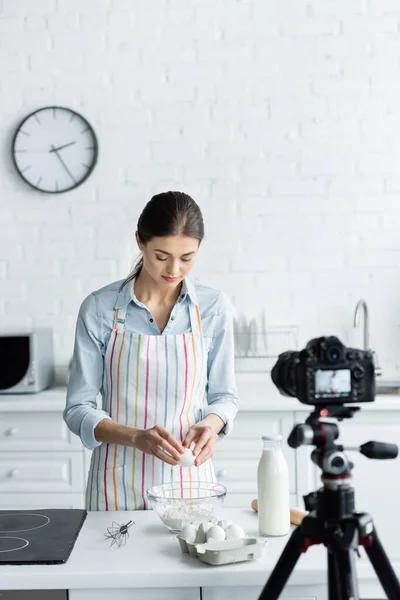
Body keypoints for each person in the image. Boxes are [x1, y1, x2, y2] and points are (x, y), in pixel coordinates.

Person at [63, 191, 239, 511]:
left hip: (190, 483)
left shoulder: (214, 308)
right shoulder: (99, 309)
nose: (174, 269)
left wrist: (211, 425)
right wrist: (136, 437)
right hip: (117, 484)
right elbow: (78, 408)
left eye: (187, 257)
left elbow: (226, 396)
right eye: (161, 255)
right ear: (140, 242)